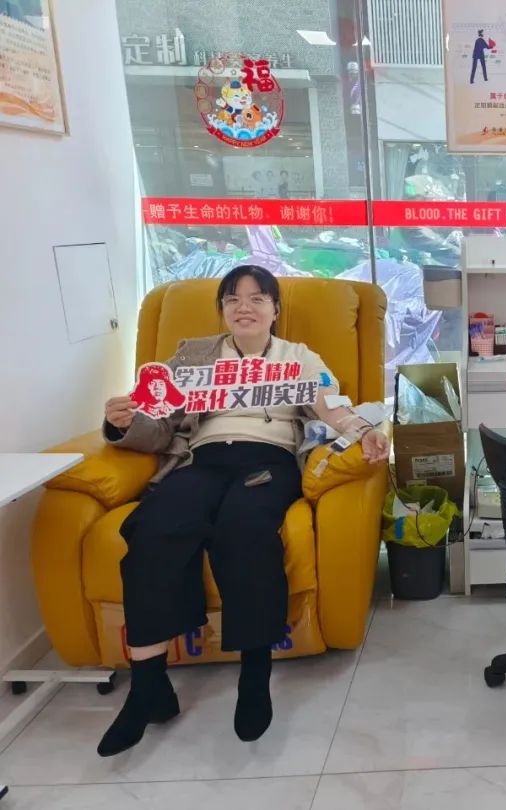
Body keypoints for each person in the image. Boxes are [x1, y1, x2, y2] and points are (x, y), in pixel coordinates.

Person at [97, 265, 391, 757]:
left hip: (267, 461)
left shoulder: (298, 358)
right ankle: (148, 687)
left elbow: (332, 407)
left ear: (275, 309)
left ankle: (255, 676)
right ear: (222, 311)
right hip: (203, 459)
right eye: (232, 299)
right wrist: (121, 423)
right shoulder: (193, 357)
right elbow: (158, 425)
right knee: (152, 529)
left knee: (245, 532)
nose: (244, 307)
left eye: (257, 299)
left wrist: (365, 432)